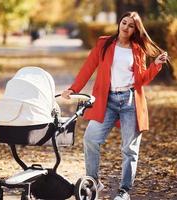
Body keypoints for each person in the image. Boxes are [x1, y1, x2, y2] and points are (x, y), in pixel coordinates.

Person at [62, 11, 168, 200]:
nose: (126, 27)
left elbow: (141, 79)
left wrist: (156, 65)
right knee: (90, 139)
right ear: (119, 22)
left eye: (131, 25)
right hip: (107, 101)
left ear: (135, 29)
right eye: (124, 22)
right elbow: (88, 67)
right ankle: (94, 182)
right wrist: (73, 89)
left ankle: (124, 191)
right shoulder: (104, 43)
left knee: (129, 149)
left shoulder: (138, 49)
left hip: (130, 101)